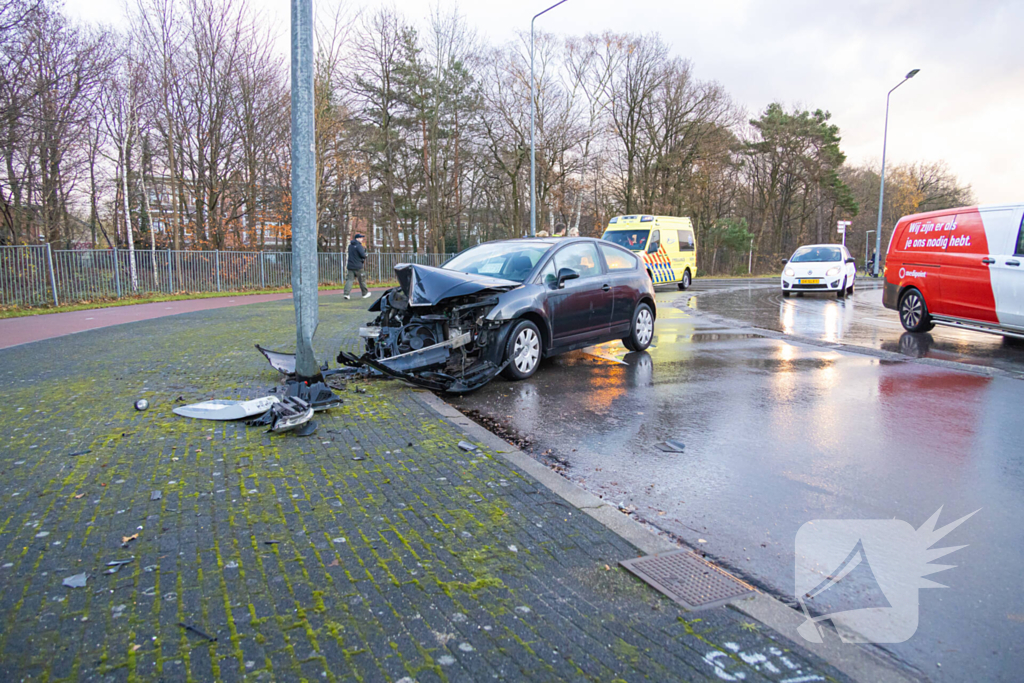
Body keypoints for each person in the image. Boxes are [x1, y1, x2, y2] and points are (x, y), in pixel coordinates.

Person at [344, 233, 371, 299]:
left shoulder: (350, 246)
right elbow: (363, 255)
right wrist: (365, 254)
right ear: (357, 238)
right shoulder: (359, 246)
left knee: (349, 280)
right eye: (361, 238)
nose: (362, 239)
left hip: (350, 266)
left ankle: (346, 294)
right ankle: (365, 293)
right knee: (362, 280)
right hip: (358, 266)